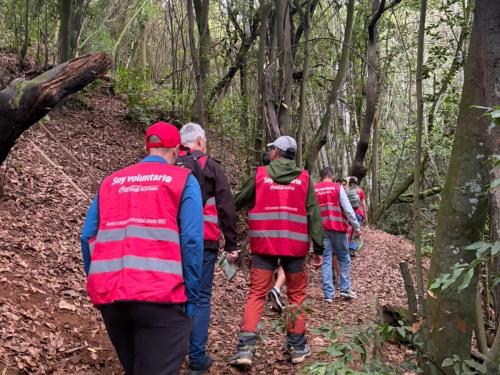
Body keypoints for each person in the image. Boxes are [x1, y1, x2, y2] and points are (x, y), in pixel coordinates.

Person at [80, 121, 204, 375]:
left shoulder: (112, 181)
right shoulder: (183, 181)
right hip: (161, 298)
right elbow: (191, 239)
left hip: (112, 298)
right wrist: (191, 295)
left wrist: (98, 280)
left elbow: (87, 236)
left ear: (146, 147)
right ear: (176, 151)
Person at [230, 136, 324, 369]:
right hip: (295, 248)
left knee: (256, 294)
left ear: (276, 153)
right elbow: (314, 214)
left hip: (264, 246)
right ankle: (298, 348)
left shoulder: (260, 175)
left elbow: (238, 201)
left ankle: (245, 350)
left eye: (271, 148)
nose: (269, 151)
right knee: (297, 296)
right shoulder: (304, 179)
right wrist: (318, 248)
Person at [179, 122, 239, 374]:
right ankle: (196, 358)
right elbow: (226, 205)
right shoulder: (210, 166)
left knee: (175, 296)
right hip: (204, 240)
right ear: (200, 141)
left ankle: (171, 353)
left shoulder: (171, 165)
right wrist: (232, 244)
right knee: (200, 298)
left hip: (171, 241)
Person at [314, 167, 360, 302]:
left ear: (320, 176)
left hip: (322, 229)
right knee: (344, 257)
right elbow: (348, 209)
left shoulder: (315, 189)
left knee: (326, 259)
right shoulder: (337, 188)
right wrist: (356, 226)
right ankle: (345, 289)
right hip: (338, 228)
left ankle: (329, 294)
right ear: (332, 176)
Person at [346, 176, 366, 255]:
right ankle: (352, 248)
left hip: (349, 213)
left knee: (351, 231)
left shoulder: (346, 191)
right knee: (354, 231)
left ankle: (351, 248)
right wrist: (365, 215)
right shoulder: (360, 191)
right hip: (359, 213)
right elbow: (363, 204)